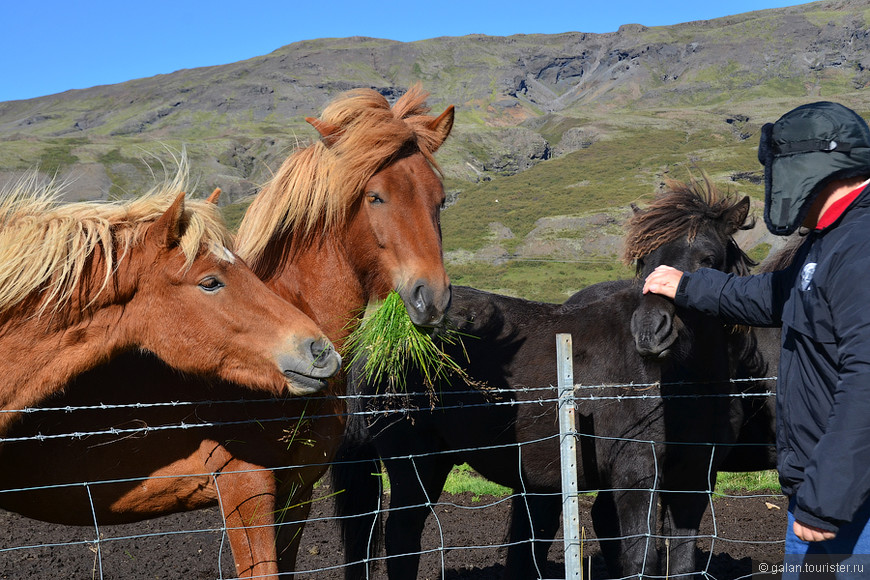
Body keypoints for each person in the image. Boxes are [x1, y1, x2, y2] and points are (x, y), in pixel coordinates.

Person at [643, 101, 870, 575]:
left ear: (811, 168)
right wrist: (687, 285)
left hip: (848, 501)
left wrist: (828, 497)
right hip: (822, 489)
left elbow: (866, 383)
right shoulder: (831, 239)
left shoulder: (860, 247)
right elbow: (773, 295)